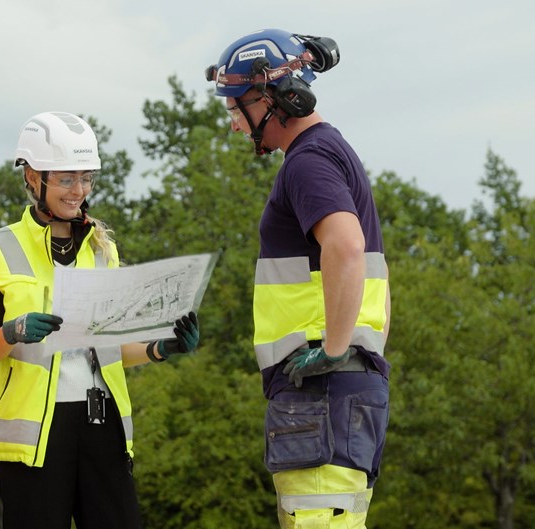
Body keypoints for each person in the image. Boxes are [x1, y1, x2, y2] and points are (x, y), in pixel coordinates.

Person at [0, 111, 200, 529]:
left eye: (86, 178)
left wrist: (162, 347)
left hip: (102, 424)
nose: (79, 191)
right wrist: (13, 332)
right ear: (34, 177)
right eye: (67, 179)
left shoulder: (103, 251)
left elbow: (113, 350)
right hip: (34, 438)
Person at [206, 30, 391, 528]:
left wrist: (332, 349)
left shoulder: (308, 162)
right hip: (337, 391)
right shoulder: (327, 152)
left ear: (275, 98)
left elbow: (347, 247)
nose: (235, 126)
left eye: (236, 108)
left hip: (321, 390)